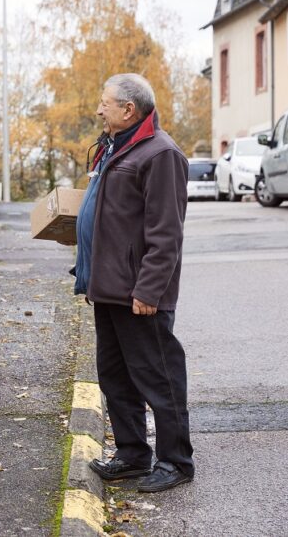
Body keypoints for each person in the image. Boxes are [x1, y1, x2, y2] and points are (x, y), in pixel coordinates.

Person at [73, 73, 194, 492]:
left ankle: (177, 462)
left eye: (106, 103)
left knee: (158, 377)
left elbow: (166, 233)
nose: (99, 109)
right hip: (107, 288)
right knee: (115, 375)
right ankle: (132, 454)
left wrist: (149, 290)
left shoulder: (161, 154)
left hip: (138, 293)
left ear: (129, 109)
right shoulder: (115, 147)